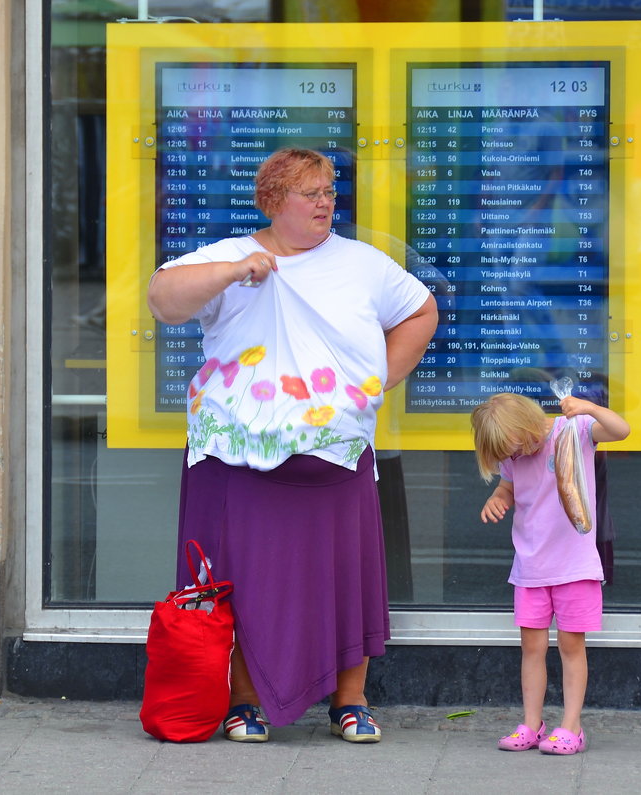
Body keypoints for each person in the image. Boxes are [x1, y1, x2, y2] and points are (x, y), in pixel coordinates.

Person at [146, 147, 438, 743]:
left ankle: (349, 701)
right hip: (236, 460)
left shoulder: (361, 263)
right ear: (275, 201)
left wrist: (373, 384)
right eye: (312, 192)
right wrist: (235, 272)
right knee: (239, 580)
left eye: (330, 191)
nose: (327, 202)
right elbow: (163, 298)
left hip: (333, 458)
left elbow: (420, 312)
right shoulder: (229, 256)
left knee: (345, 577)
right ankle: (243, 703)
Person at [471, 391, 630, 755]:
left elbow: (621, 431)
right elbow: (508, 485)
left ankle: (571, 725)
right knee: (532, 647)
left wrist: (588, 408)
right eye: (509, 453)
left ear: (528, 424)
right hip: (531, 567)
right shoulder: (513, 453)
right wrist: (499, 497)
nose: (518, 455)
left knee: (572, 647)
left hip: (575, 565)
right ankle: (532, 723)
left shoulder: (571, 431)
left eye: (519, 445)